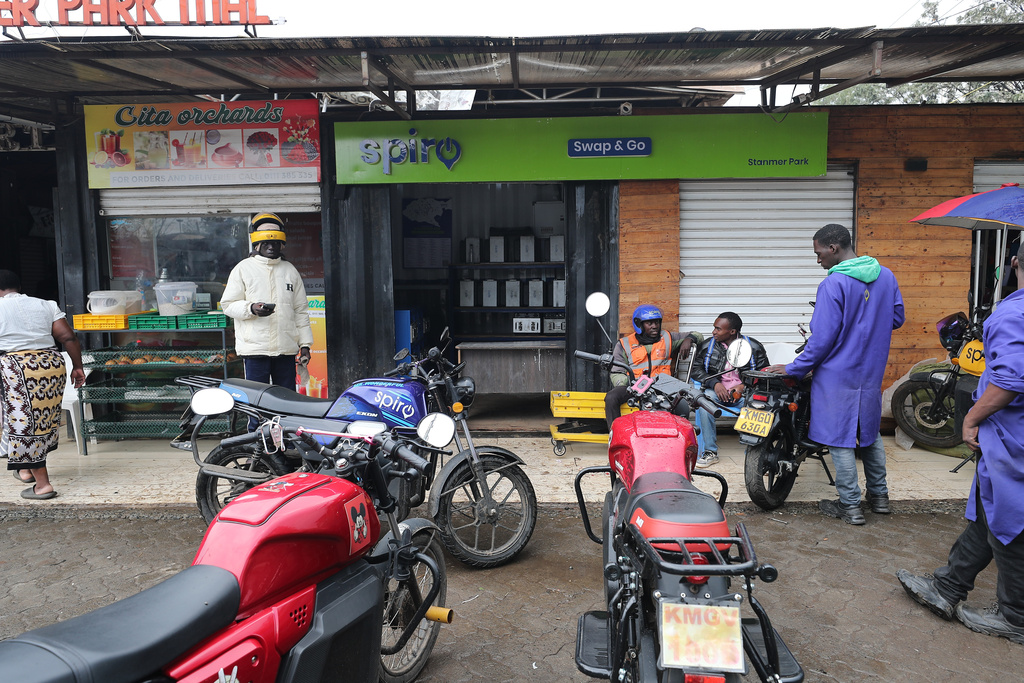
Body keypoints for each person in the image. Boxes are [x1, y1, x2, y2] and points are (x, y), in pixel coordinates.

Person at [897, 242, 1024, 645]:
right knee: (990, 509)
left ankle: (1016, 615)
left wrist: (971, 418)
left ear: (1015, 262)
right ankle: (949, 586)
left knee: (1009, 518)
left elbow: (1011, 379)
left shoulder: (1014, 312)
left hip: (1012, 435)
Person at [766, 223, 904, 525]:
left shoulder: (833, 284)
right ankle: (879, 498)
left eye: (818, 254)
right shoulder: (887, 275)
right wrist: (869, 319)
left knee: (840, 438)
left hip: (836, 375)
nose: (818, 261)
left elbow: (822, 339)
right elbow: (896, 318)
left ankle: (850, 505)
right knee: (869, 435)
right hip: (870, 372)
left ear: (833, 248)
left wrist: (793, 367)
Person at [0, 270, 85, 500]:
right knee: (42, 419)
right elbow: (67, 337)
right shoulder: (45, 305)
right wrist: (78, 366)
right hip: (51, 364)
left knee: (24, 425)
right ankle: (26, 470)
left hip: (18, 366)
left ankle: (43, 485)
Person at [221, 213, 314, 412]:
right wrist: (250, 308)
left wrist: (305, 345)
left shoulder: (290, 270)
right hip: (255, 350)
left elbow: (300, 311)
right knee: (256, 400)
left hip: (286, 349)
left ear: (283, 244)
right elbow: (228, 305)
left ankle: (286, 437)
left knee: (286, 399)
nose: (272, 247)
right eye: (266, 243)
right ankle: (257, 438)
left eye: (276, 244)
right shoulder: (242, 269)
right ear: (256, 245)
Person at [689, 312, 769, 468]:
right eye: (714, 328)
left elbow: (764, 373)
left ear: (732, 331)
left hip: (746, 393)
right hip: (717, 392)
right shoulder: (707, 346)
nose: (714, 332)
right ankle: (710, 452)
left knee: (759, 405)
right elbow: (696, 370)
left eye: (718, 329)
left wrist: (743, 386)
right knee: (705, 403)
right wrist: (714, 383)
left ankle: (755, 454)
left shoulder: (753, 347)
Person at [604, 304, 701, 429]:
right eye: (649, 323)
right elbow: (616, 371)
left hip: (662, 387)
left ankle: (677, 436)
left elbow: (698, 335)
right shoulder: (624, 343)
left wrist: (689, 339)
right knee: (611, 398)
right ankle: (616, 433)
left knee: (681, 403)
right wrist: (628, 384)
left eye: (656, 322)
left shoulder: (668, 337)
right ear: (639, 324)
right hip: (635, 386)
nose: (654, 326)